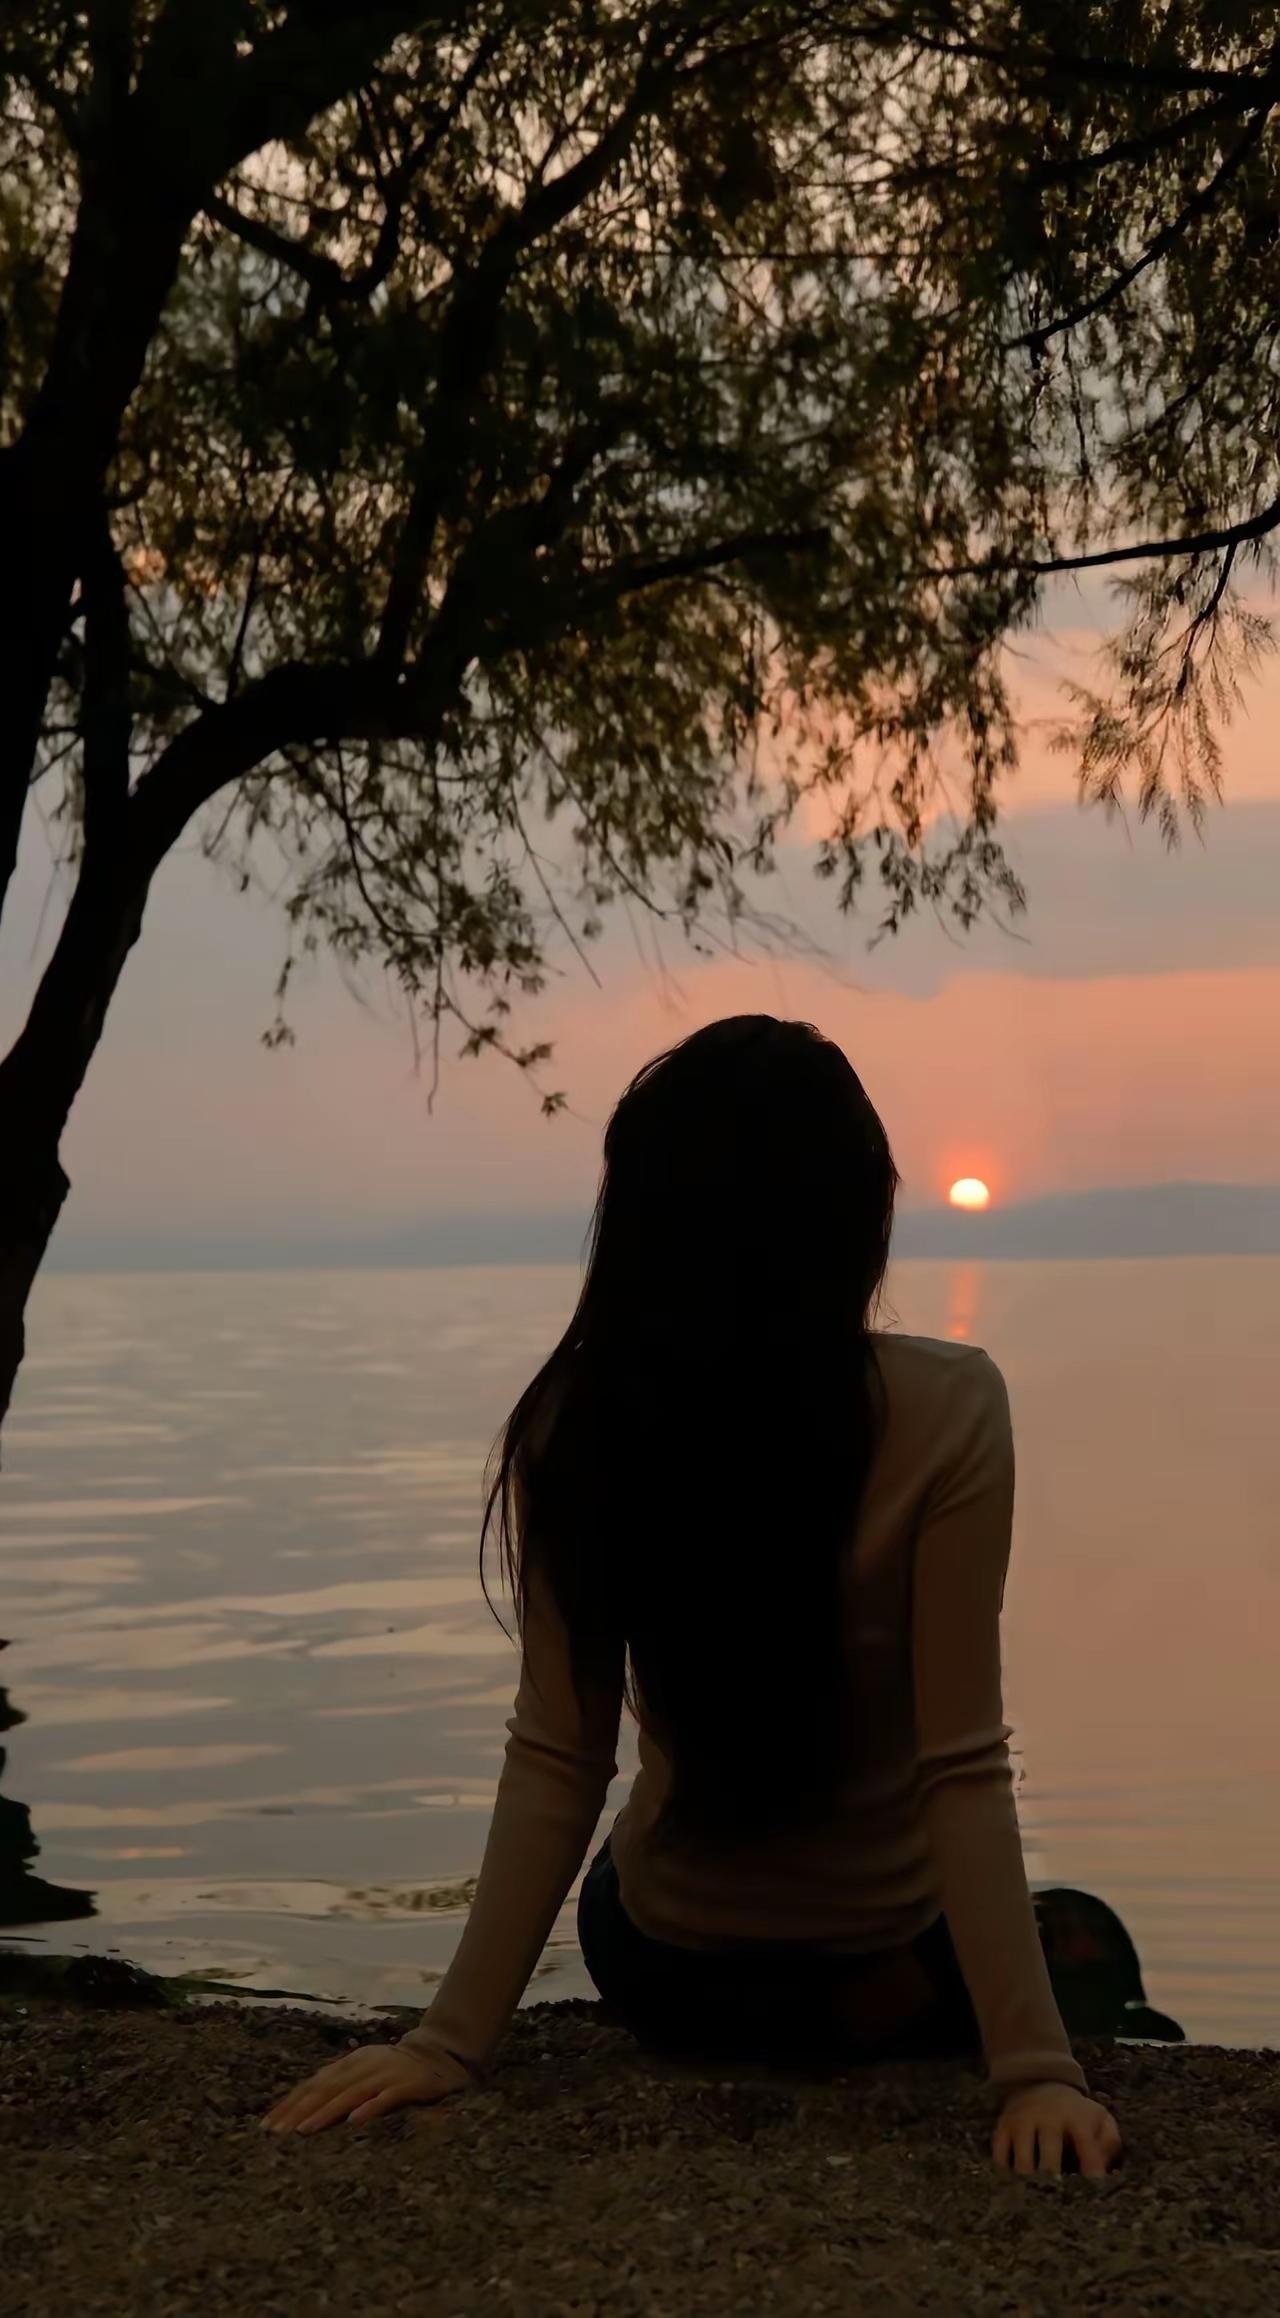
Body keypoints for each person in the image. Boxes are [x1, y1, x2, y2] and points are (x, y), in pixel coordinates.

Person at [264, 1016, 1123, 2177]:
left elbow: (560, 1758)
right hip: (885, 1979)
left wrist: (451, 2038)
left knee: (635, 1870)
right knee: (1083, 1930)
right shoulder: (952, 1406)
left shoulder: (575, 1420)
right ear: (854, 1220)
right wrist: (1033, 2068)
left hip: (666, 1971)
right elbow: (958, 1765)